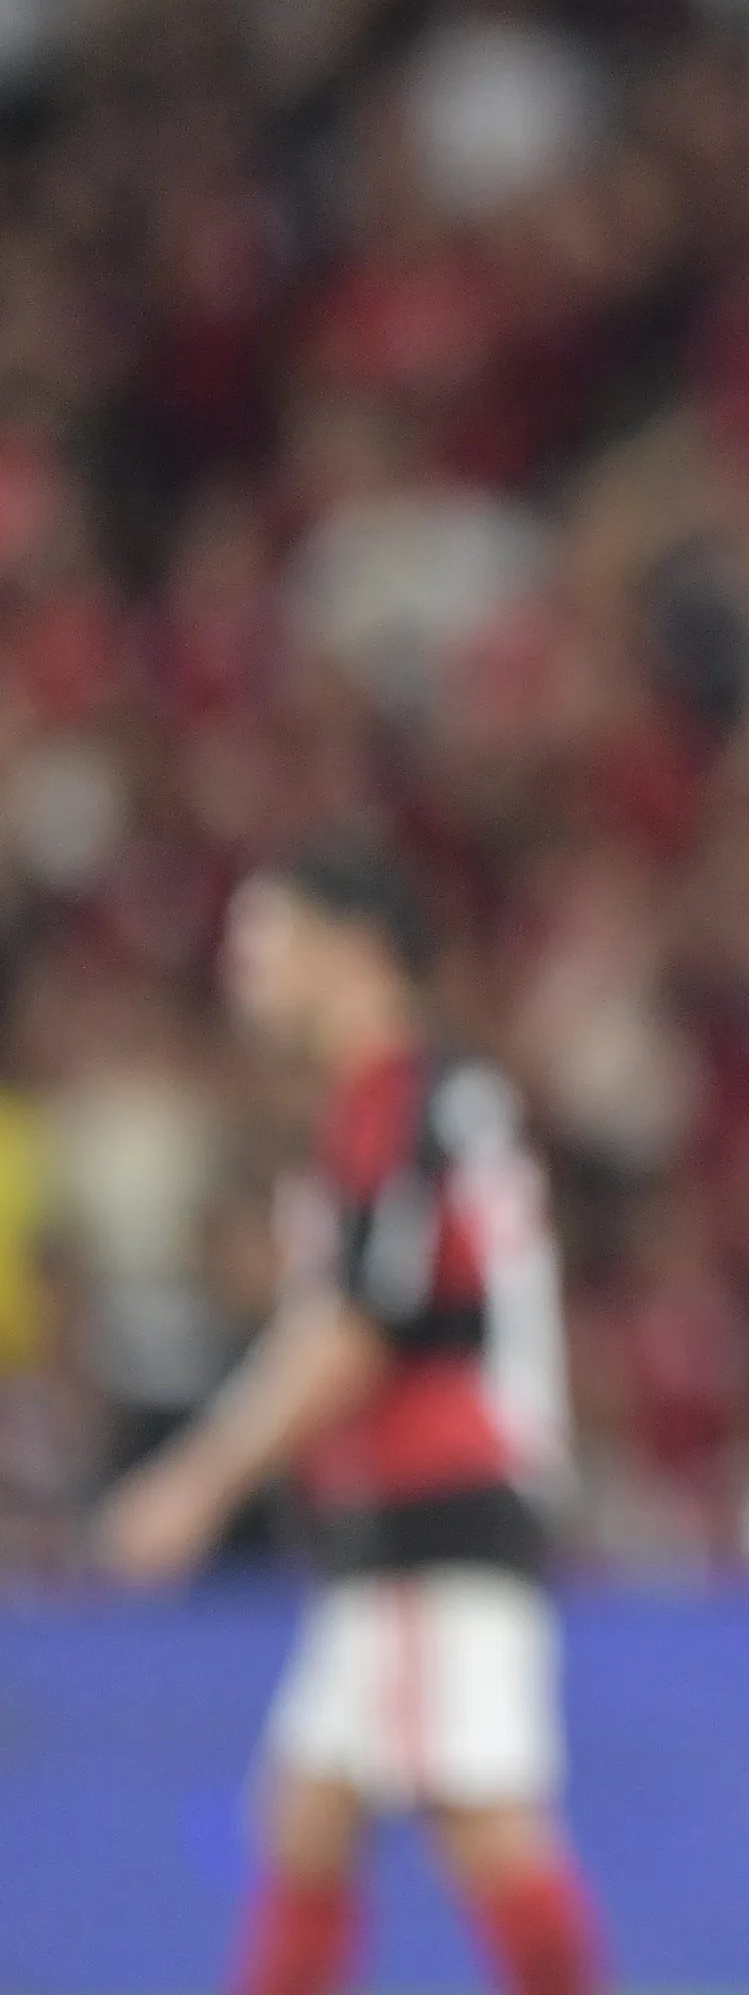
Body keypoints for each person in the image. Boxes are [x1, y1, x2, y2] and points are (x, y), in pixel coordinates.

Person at [100, 844, 599, 1995]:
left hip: (440, 1503)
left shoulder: (413, 1097)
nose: (244, 968)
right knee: (308, 1819)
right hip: (410, 1510)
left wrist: (197, 1480)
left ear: (358, 952)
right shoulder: (393, 1103)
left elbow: (363, 1325)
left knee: (485, 1826)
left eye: (267, 939)